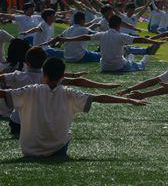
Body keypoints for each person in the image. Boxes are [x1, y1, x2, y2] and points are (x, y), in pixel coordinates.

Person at [0, 57, 144, 158]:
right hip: (57, 149)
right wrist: (128, 100)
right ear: (62, 76)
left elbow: (3, 94)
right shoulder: (69, 93)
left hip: (29, 150)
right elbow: (98, 98)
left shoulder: (29, 91)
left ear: (44, 75)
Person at [55, 15, 161, 72]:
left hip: (104, 67)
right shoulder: (120, 36)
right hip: (118, 67)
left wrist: (68, 40)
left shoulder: (102, 34)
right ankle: (141, 61)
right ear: (119, 25)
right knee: (138, 66)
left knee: (126, 55)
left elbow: (85, 37)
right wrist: (154, 41)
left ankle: (130, 59)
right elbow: (140, 40)